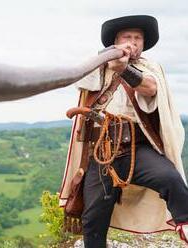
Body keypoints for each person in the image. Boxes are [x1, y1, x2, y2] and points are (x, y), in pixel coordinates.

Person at [58, 15, 188, 247]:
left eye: (138, 38)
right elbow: (79, 77)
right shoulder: (98, 66)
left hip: (137, 149)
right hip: (101, 153)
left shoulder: (151, 67)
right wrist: (109, 58)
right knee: (93, 219)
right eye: (127, 37)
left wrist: (125, 68)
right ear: (115, 41)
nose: (133, 42)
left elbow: (149, 89)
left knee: (171, 181)